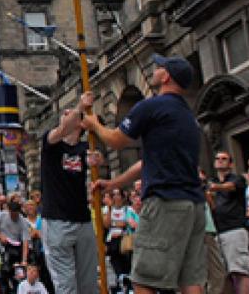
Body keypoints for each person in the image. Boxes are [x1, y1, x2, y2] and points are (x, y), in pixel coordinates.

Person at [83, 54, 206, 294]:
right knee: (190, 281)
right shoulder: (187, 115)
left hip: (165, 202)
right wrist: (114, 183)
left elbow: (116, 140)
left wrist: (94, 124)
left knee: (144, 280)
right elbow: (146, 163)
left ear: (166, 76)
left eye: (160, 67)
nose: (155, 69)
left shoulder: (152, 107)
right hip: (194, 204)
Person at [37, 102, 97, 294]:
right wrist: (80, 106)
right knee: (66, 286)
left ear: (81, 124)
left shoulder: (85, 148)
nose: (66, 112)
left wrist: (97, 159)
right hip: (57, 222)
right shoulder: (51, 143)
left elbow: (98, 154)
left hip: (82, 220)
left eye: (70, 112)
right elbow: (63, 129)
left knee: (88, 285)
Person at [208, 150, 249, 294]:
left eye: (224, 158)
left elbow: (231, 186)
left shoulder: (237, 179)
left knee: (239, 271)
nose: (220, 160)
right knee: (222, 274)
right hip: (217, 231)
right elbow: (212, 206)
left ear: (231, 164)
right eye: (218, 158)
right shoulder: (212, 181)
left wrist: (213, 187)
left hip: (235, 229)